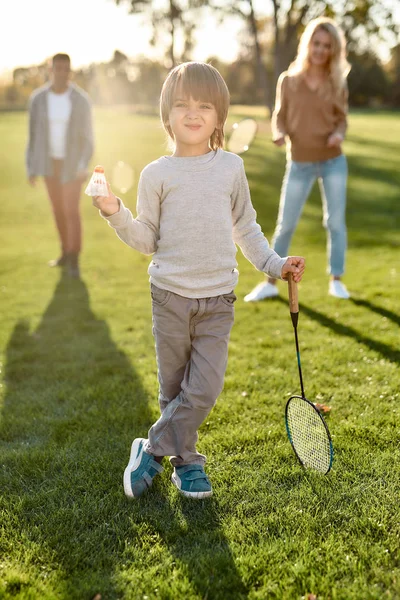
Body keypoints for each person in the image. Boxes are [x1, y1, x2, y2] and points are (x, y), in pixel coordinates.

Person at [92, 62, 305, 500]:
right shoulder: (156, 174)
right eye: (182, 104)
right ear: (167, 114)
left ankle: (150, 449)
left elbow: (246, 228)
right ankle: (186, 465)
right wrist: (115, 212)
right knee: (174, 389)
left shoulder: (230, 168)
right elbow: (146, 238)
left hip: (217, 301)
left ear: (219, 116)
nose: (193, 113)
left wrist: (274, 264)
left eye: (204, 105)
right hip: (168, 297)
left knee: (203, 388)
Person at [244, 17, 351, 303]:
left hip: (332, 161)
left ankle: (336, 279)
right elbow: (279, 118)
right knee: (286, 224)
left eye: (326, 46)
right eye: (316, 44)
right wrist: (279, 134)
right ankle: (270, 282)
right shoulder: (288, 81)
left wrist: (338, 135)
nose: (320, 50)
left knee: (335, 222)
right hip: (300, 162)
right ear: (308, 45)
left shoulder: (337, 82)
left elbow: (342, 121)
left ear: (333, 50)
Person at [26, 53, 94, 278]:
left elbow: (88, 137)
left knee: (71, 210)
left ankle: (74, 258)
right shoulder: (38, 99)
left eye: (66, 69)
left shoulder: (80, 100)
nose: (62, 73)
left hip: (72, 165)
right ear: (50, 70)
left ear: (70, 71)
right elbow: (33, 135)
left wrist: (84, 164)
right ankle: (65, 252)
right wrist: (31, 168)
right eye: (58, 68)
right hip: (48, 163)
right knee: (57, 211)